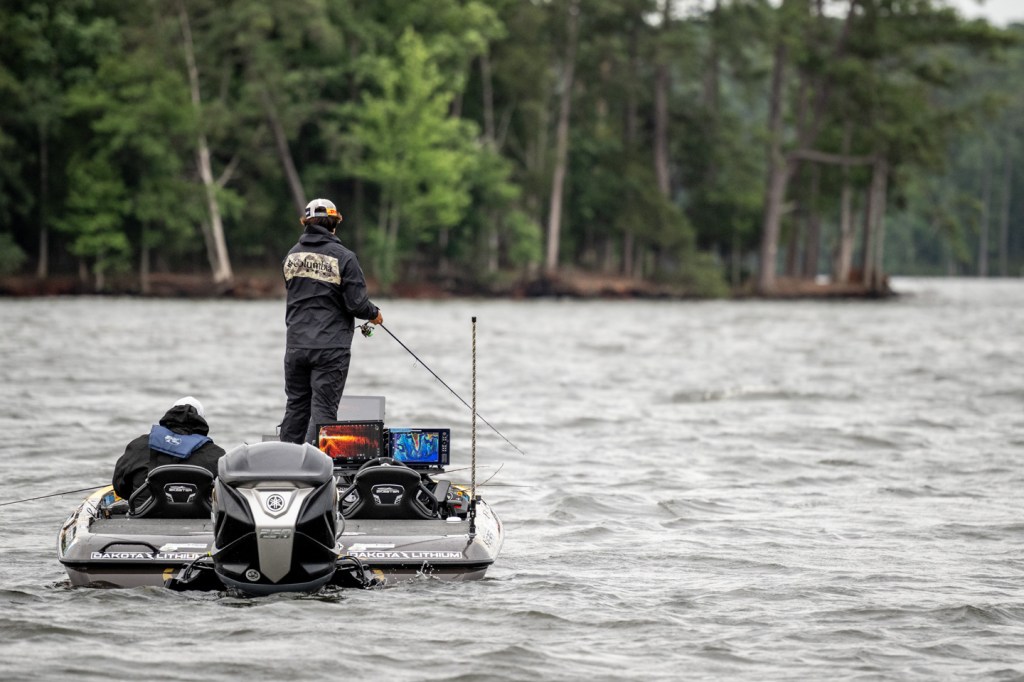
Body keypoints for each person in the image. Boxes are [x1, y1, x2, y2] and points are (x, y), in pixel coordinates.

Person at [280, 197, 382, 444]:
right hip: (330, 348)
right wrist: (374, 313)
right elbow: (357, 304)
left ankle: (285, 460)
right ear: (334, 224)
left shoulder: (291, 256)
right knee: (324, 410)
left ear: (306, 223)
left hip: (296, 347)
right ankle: (317, 464)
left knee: (296, 407)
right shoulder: (344, 257)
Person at [112, 396, 225, 500]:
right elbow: (224, 496)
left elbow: (120, 487)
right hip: (198, 514)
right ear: (202, 420)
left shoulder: (138, 446)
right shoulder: (216, 455)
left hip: (144, 512)